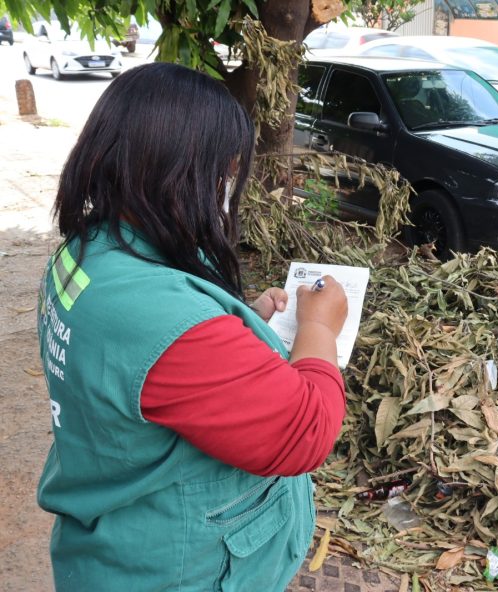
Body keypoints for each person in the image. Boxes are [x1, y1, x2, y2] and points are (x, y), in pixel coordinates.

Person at [36, 62, 349, 591]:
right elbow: (305, 432)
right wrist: (320, 328)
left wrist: (240, 320)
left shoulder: (90, 254)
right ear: (184, 172)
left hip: (113, 545)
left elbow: (139, 362)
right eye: (226, 171)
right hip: (180, 569)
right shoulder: (161, 319)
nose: (229, 186)